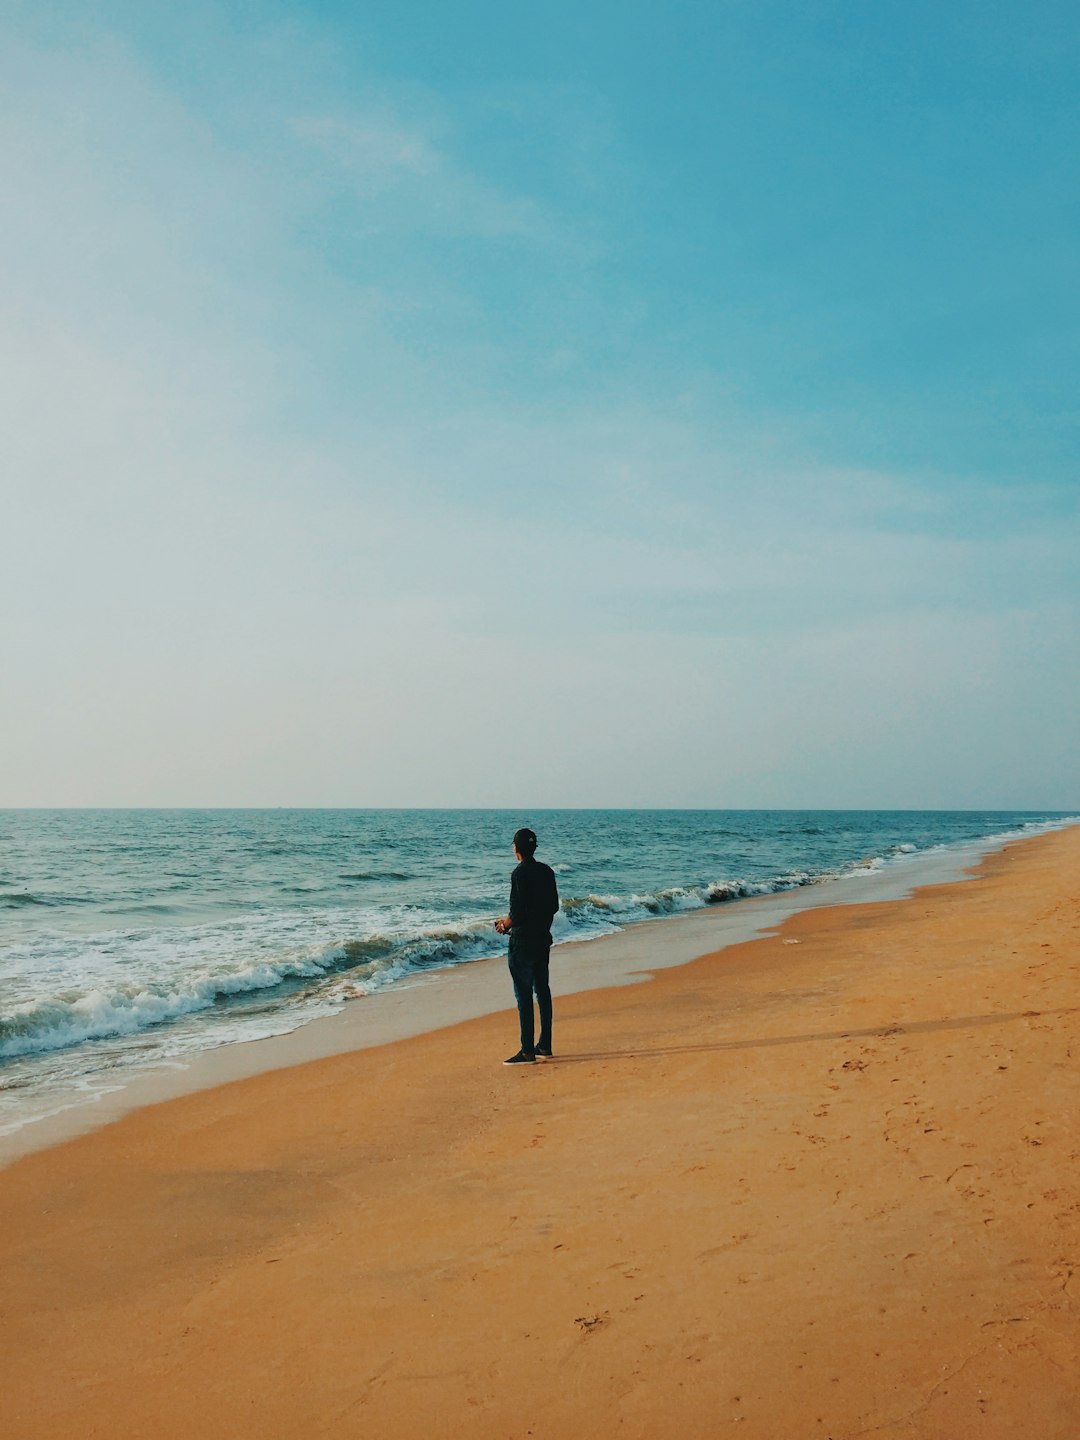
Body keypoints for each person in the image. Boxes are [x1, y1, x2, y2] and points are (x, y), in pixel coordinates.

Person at [494, 827, 559, 1065]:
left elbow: (517, 913)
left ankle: (527, 1050)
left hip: (522, 943)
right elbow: (553, 907)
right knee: (542, 990)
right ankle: (545, 1044)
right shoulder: (547, 871)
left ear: (517, 849)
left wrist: (504, 924)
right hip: (542, 938)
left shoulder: (519, 874)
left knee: (523, 995)